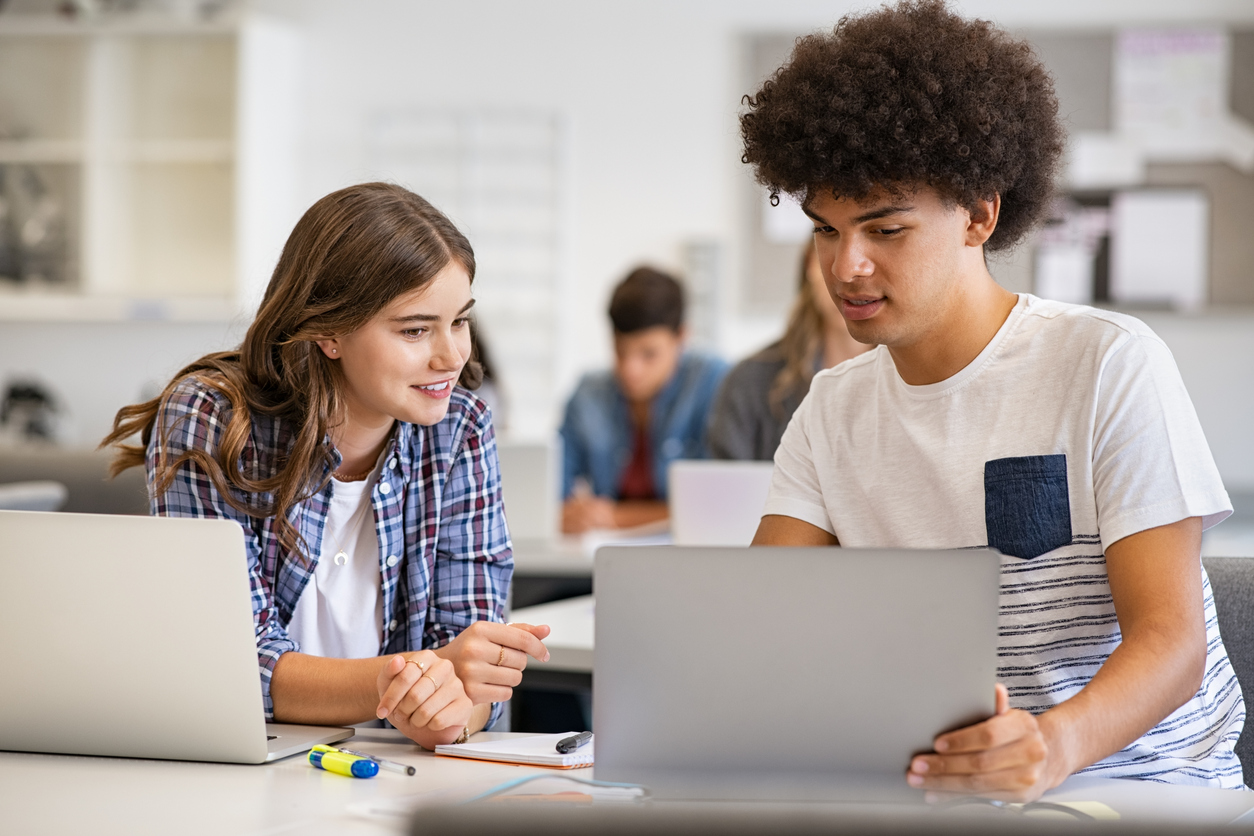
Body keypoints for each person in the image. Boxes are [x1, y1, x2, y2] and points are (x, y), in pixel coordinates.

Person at [742, 0, 1244, 797]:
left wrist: (1052, 747)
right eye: (826, 231)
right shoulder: (832, 408)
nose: (847, 268)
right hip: (940, 790)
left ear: (980, 214)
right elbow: (756, 629)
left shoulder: (1108, 363)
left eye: (886, 230)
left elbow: (1172, 647)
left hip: (1138, 787)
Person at [103, 183, 550, 748]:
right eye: (415, 329)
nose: (452, 356)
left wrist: (453, 712)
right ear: (328, 332)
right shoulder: (213, 417)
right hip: (245, 761)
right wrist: (417, 677)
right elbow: (233, 661)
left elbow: (473, 667)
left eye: (459, 321)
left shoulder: (460, 431)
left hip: (398, 770)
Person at [559, 266, 727, 534]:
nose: (630, 369)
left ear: (681, 337)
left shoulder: (715, 383)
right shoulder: (588, 393)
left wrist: (615, 517)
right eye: (620, 350)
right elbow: (552, 498)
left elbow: (719, 507)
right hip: (603, 556)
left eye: (648, 354)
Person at [707, 240, 871, 460]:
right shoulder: (748, 382)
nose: (848, 277)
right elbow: (727, 487)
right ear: (809, 265)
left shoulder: (921, 380)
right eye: (832, 254)